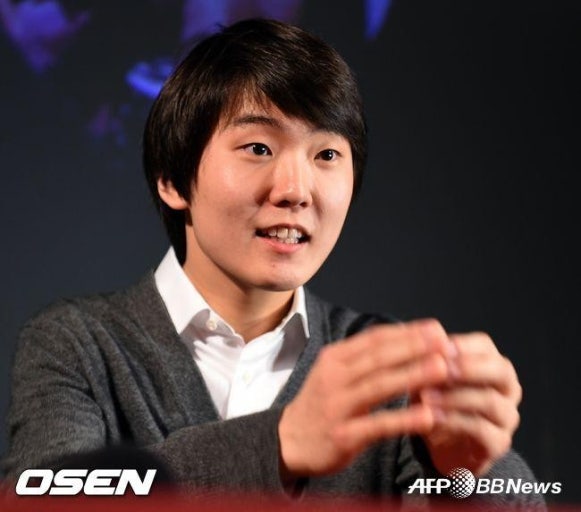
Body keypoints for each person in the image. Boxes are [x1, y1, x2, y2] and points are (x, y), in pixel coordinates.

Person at [4, 18, 543, 508]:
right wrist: (281, 442)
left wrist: (462, 474)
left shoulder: (387, 367)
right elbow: (44, 499)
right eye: (259, 148)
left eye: (326, 155)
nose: (296, 190)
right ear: (172, 179)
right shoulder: (76, 344)